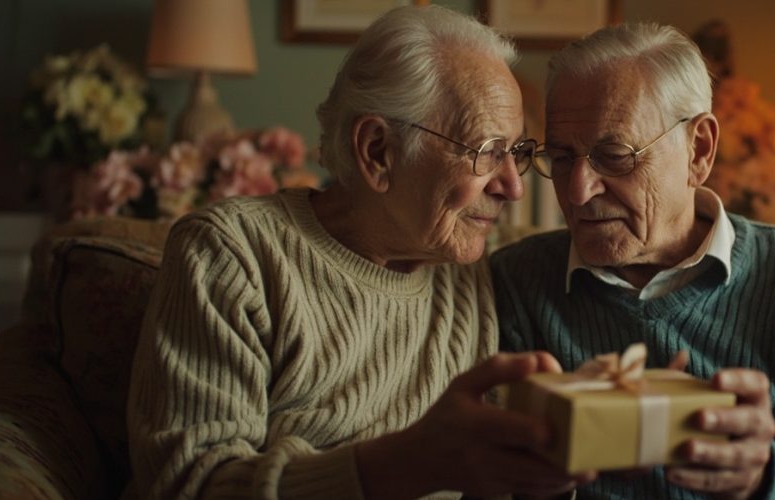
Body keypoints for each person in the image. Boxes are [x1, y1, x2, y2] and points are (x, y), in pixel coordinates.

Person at [127, 6, 590, 499]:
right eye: (486, 151)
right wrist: (407, 464)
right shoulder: (234, 254)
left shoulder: (491, 267)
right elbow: (186, 485)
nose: (513, 188)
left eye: (516, 153)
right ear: (377, 151)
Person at [490, 23, 775, 499]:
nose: (578, 190)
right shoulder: (512, 283)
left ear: (700, 150)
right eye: (562, 157)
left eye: (615, 155)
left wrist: (764, 480)